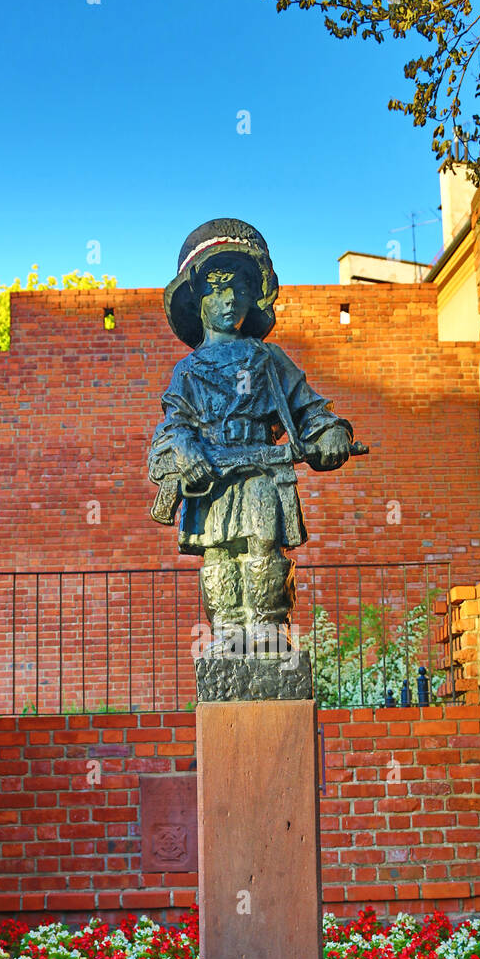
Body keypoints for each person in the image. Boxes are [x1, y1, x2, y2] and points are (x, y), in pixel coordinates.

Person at [148, 218, 358, 652]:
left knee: (264, 551)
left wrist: (331, 434)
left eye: (239, 290)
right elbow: (171, 428)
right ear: (198, 299)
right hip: (212, 479)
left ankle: (266, 639)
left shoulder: (269, 360)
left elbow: (312, 410)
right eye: (217, 290)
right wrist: (187, 450)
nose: (229, 300)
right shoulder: (186, 372)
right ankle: (226, 638)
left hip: (263, 473)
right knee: (220, 557)